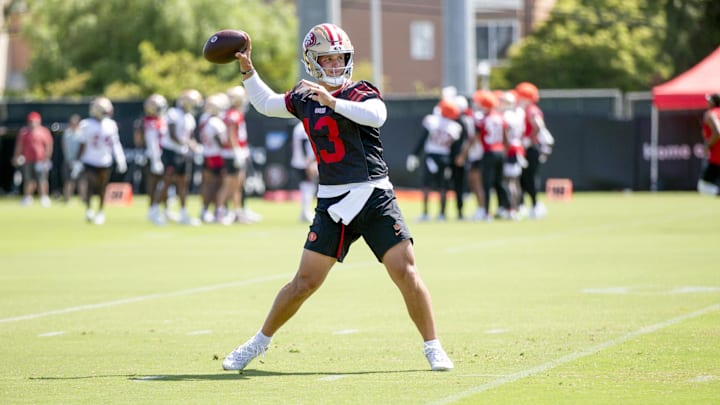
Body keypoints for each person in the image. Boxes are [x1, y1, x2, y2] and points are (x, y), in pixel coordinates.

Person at [222, 23, 453, 372]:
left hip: (374, 195)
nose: (333, 65)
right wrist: (248, 68)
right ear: (312, 62)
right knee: (304, 283)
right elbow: (266, 104)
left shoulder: (359, 91)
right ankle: (258, 342)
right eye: (326, 59)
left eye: (338, 59)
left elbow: (378, 114)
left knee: (405, 272)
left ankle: (433, 346)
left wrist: (334, 102)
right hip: (332, 202)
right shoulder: (304, 94)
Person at [456, 90, 510, 220]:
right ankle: (507, 209)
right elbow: (506, 137)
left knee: (485, 183)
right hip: (500, 151)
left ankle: (485, 211)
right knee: (500, 182)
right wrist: (505, 151)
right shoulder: (500, 117)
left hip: (487, 152)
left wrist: (463, 154)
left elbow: (474, 137)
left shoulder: (482, 119)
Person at [407, 98, 463, 221]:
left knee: (427, 185)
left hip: (431, 156)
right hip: (445, 157)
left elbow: (423, 138)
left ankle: (426, 213)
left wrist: (415, 154)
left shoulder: (432, 121)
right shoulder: (455, 127)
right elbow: (455, 147)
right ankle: (442, 214)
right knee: (443, 186)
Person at [75, 97, 127, 224]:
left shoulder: (111, 125)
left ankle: (100, 212)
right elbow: (82, 144)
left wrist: (120, 158)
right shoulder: (86, 124)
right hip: (90, 160)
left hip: (105, 160)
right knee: (90, 186)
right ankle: (89, 210)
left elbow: (115, 143)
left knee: (102, 188)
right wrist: (78, 161)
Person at [161, 89, 204, 225]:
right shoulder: (173, 113)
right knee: (166, 182)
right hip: (171, 152)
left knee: (183, 183)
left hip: (183, 153)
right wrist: (188, 144)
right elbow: (173, 135)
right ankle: (158, 210)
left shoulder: (189, 118)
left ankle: (183, 212)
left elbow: (191, 137)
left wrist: (195, 146)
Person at [219, 85, 259, 224]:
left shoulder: (235, 113)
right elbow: (231, 135)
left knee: (238, 184)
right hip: (232, 153)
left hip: (237, 151)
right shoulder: (232, 114)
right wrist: (237, 151)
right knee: (230, 184)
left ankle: (236, 212)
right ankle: (221, 212)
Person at [516, 82, 549, 219]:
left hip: (532, 148)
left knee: (530, 178)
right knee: (523, 178)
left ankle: (536, 205)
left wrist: (529, 140)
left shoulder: (531, 110)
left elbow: (538, 126)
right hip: (526, 148)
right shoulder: (525, 110)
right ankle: (523, 204)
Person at [198, 93, 230, 223]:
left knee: (208, 184)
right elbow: (221, 141)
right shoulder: (216, 122)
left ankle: (206, 210)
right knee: (218, 184)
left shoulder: (204, 119)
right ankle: (217, 210)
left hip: (207, 153)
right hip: (217, 155)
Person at [12, 111, 54, 207]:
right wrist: (16, 157)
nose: (32, 123)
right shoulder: (24, 132)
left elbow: (49, 146)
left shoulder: (44, 132)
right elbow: (19, 146)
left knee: (42, 179)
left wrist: (47, 159)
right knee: (28, 179)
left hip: (41, 160)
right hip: (28, 160)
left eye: (34, 121)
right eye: (30, 121)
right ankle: (27, 197)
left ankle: (44, 197)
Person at [142, 93, 170, 226]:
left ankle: (164, 210)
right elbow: (152, 142)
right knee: (155, 184)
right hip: (155, 156)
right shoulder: (151, 122)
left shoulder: (163, 120)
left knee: (165, 184)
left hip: (164, 154)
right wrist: (156, 160)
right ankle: (153, 210)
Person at [290, 120, 318, 222]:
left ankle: (304, 212)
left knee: (306, 187)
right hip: (304, 163)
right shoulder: (302, 127)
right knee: (308, 187)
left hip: (300, 162)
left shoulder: (298, 127)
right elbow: (304, 145)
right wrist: (309, 163)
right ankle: (306, 213)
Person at [698, 92, 720, 195]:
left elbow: (717, 131)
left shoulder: (711, 114)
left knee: (703, 186)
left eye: (709, 101)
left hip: (717, 157)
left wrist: (707, 145)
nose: (707, 103)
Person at [61, 114, 86, 203]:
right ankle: (67, 199)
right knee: (68, 180)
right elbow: (64, 147)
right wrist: (69, 159)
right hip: (69, 161)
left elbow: (83, 147)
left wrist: (78, 160)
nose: (73, 124)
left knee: (82, 181)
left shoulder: (82, 133)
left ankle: (84, 199)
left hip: (80, 161)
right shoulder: (67, 133)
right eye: (72, 122)